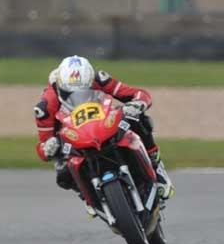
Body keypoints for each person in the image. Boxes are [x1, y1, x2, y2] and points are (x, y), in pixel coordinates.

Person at [34, 55, 174, 200]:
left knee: (139, 119)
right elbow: (43, 146)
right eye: (70, 93)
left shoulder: (98, 79)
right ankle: (87, 196)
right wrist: (48, 148)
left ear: (90, 81)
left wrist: (138, 104)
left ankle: (157, 168)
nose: (78, 96)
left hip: (104, 123)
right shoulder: (45, 107)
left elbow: (138, 94)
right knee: (63, 175)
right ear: (59, 86)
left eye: (85, 90)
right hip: (72, 137)